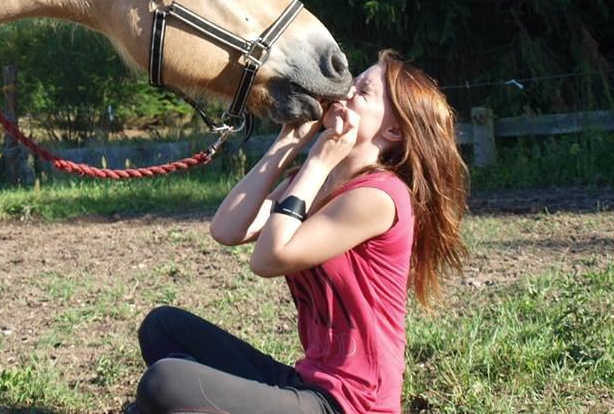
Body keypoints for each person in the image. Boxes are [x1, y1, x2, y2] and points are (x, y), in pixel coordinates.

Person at [124, 50, 469, 414]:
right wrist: (292, 140)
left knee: (165, 383)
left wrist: (320, 159)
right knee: (163, 327)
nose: (344, 93)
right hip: (309, 383)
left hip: (349, 404)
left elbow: (269, 258)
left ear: (393, 130)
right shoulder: (316, 183)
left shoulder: (380, 196)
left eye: (362, 92)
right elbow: (226, 229)